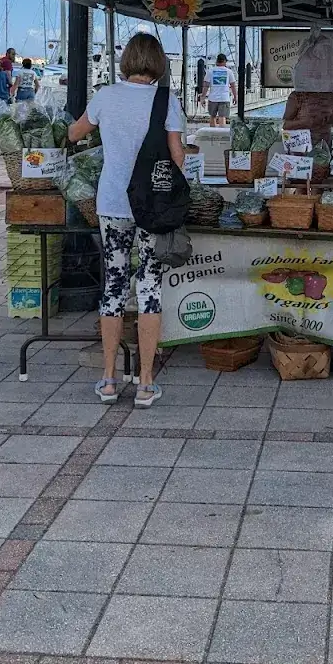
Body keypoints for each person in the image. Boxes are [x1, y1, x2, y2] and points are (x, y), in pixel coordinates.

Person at [68, 32, 186, 408]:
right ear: (158, 63)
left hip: (113, 204)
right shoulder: (165, 100)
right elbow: (177, 158)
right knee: (150, 287)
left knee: (114, 287)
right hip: (152, 208)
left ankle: (107, 379)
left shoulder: (106, 96)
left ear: (126, 62)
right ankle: (146, 383)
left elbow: (74, 133)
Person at [201, 53, 237, 126]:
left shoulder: (210, 71)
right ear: (224, 61)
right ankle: (222, 134)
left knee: (212, 116)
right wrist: (235, 97)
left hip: (212, 98)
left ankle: (212, 133)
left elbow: (206, 86)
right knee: (222, 117)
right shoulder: (229, 72)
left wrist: (203, 97)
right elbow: (233, 85)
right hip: (224, 98)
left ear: (217, 61)